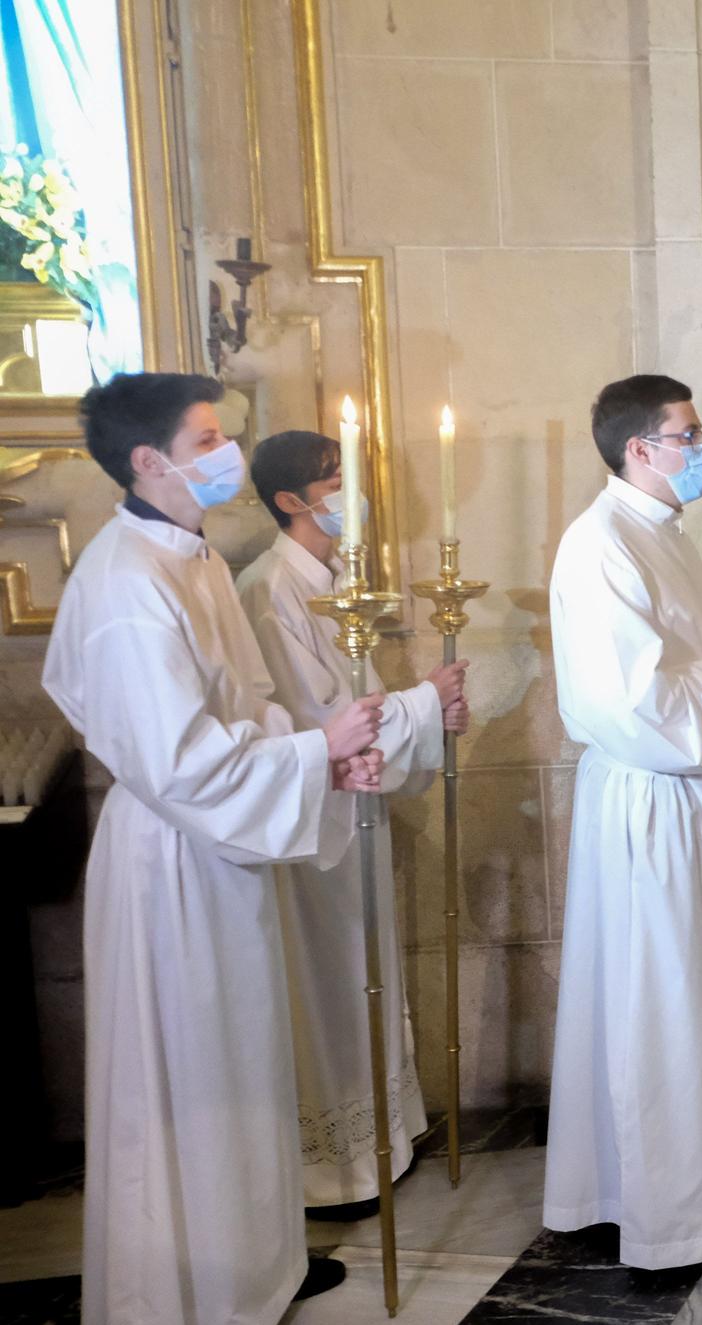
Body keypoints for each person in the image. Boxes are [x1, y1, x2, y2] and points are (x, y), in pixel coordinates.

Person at [40, 373, 384, 1325]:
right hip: (173, 857)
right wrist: (316, 752)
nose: (227, 451)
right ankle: (193, 1295)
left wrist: (317, 756)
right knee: (190, 1078)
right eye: (206, 439)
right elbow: (182, 764)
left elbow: (246, 705)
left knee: (242, 1066)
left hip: (221, 847)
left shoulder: (188, 554)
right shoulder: (126, 585)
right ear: (149, 461)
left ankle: (258, 1264)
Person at [542, 373, 702, 1268]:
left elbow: (671, 663)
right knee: (663, 1004)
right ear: (639, 449)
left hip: (690, 797)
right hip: (650, 803)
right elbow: (626, 704)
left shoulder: (660, 532)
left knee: (698, 1000)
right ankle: (664, 1214)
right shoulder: (599, 543)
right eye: (689, 434)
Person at [236, 429, 471, 1218]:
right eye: (334, 481)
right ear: (290, 501)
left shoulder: (332, 581)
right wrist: (423, 703)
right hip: (314, 823)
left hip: (354, 812)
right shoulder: (270, 588)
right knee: (331, 988)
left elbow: (361, 701)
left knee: (367, 978)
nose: (350, 494)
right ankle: (334, 1171)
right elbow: (318, 721)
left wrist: (428, 716)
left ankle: (383, 1141)